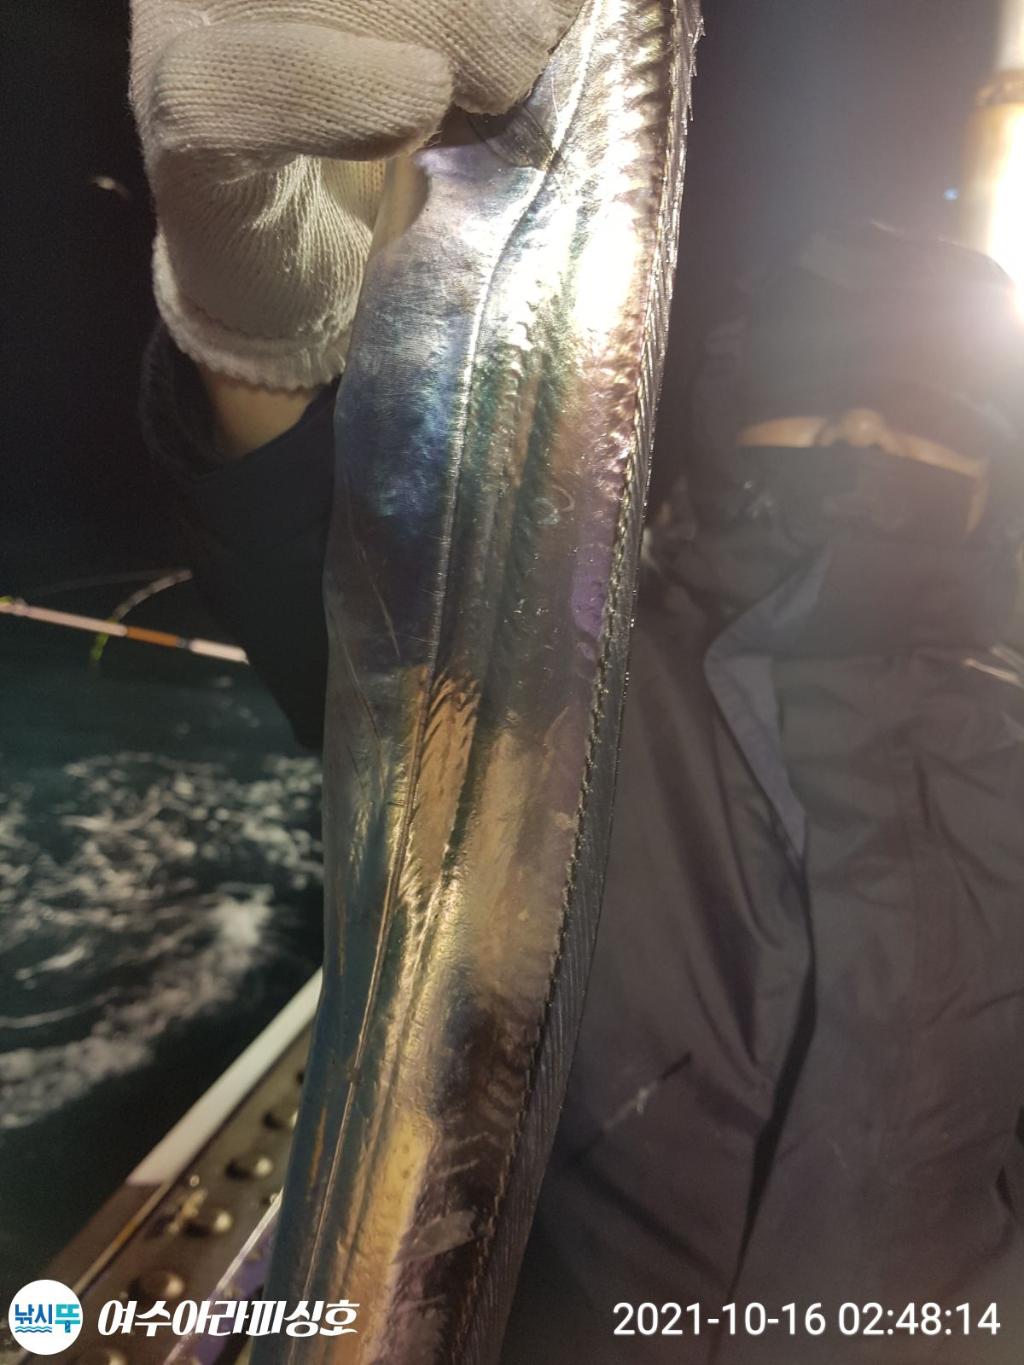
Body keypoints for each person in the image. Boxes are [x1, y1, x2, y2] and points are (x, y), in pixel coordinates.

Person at [132, 6, 1024, 1360]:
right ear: (728, 411)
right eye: (815, 388)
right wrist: (258, 326)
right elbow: (345, 574)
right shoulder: (569, 650)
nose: (861, 431)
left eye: (929, 415)